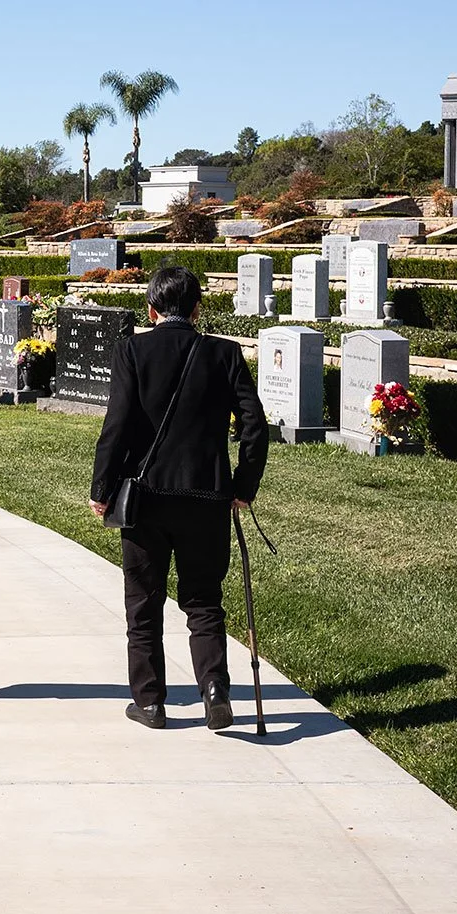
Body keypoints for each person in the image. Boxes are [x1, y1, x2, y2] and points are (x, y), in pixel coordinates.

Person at [89, 265, 268, 732]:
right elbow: (254, 427)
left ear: (151, 310)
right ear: (196, 308)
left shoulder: (132, 350)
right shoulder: (224, 354)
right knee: (204, 599)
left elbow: (118, 426)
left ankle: (149, 702)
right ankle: (214, 691)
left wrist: (101, 489)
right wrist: (242, 487)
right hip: (207, 496)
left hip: (145, 498)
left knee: (143, 602)